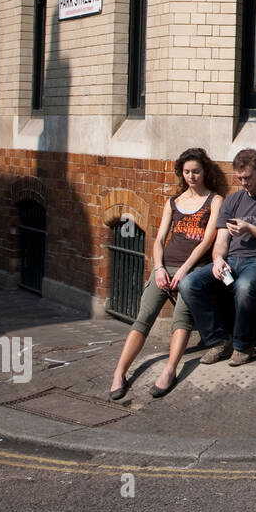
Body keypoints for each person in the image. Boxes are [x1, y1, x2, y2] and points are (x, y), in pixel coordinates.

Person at [109, 148, 224, 401]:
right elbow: (159, 239)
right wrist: (159, 268)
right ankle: (119, 372)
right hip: (166, 265)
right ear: (181, 174)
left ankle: (170, 370)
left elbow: (207, 241)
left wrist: (184, 270)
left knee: (181, 319)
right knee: (143, 318)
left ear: (204, 172)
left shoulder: (215, 200)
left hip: (192, 269)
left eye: (196, 171)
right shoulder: (173, 202)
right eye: (186, 172)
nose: (191, 176)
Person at [181, 148, 256, 366]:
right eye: (240, 178)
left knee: (244, 287)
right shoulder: (232, 201)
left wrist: (250, 228)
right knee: (189, 284)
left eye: (248, 177)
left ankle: (243, 346)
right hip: (231, 260)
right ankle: (219, 341)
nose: (244, 183)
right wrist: (217, 260)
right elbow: (221, 241)